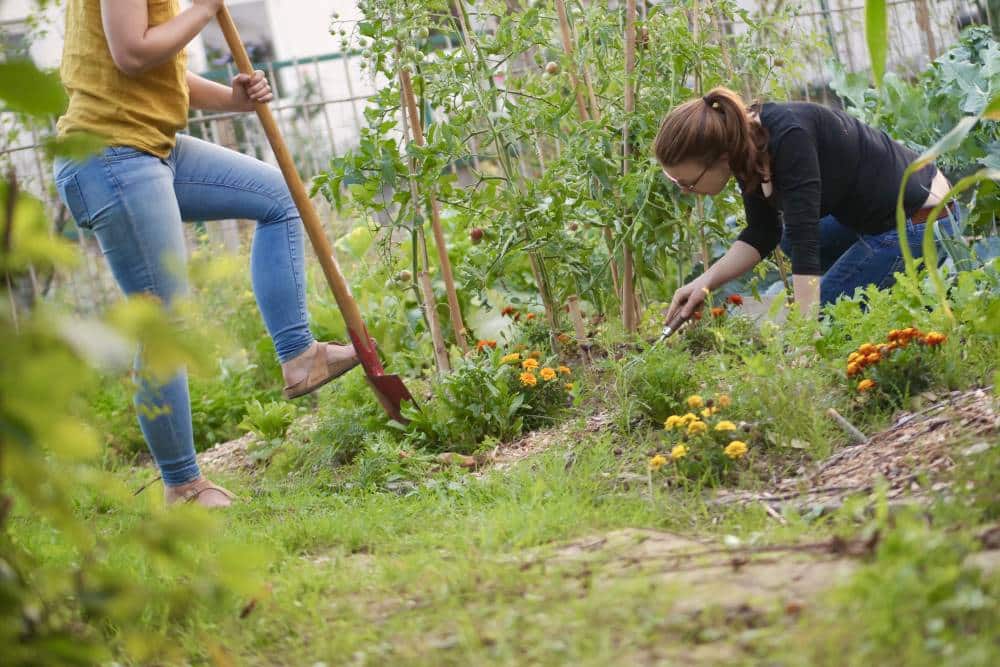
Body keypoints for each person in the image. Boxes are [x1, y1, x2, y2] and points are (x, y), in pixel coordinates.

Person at [53, 0, 360, 507]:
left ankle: (301, 357)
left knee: (278, 197)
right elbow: (131, 53)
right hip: (110, 155)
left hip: (153, 144)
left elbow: (160, 66)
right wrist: (206, 9)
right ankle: (184, 486)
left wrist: (232, 99)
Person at [655, 87, 956, 323]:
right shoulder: (745, 145)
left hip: (923, 220)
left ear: (718, 158)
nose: (686, 189)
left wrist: (804, 331)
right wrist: (703, 283)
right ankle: (875, 281)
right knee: (787, 244)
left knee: (824, 312)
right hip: (880, 214)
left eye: (689, 182)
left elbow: (805, 240)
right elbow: (763, 233)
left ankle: (885, 287)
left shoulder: (789, 136)